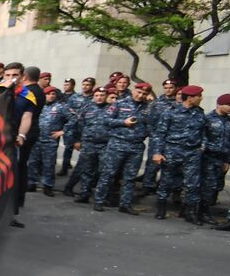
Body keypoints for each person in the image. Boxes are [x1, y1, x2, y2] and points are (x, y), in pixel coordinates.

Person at [152, 85, 208, 222]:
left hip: (192, 153)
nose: (201, 98)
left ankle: (190, 212)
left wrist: (203, 146)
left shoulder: (200, 113)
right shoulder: (170, 112)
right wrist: (157, 152)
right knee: (166, 181)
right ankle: (161, 208)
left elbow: (204, 132)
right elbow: (160, 134)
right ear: (189, 98)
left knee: (193, 184)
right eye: (198, 96)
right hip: (172, 150)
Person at [92, 80, 149, 214]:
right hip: (118, 144)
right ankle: (99, 200)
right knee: (108, 174)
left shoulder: (148, 108)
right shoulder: (120, 103)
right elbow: (106, 120)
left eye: (144, 94)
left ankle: (125, 204)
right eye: (139, 92)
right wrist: (123, 122)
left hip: (136, 147)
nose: (140, 96)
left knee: (130, 177)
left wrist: (143, 134)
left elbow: (151, 126)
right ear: (134, 90)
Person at [4, 63, 43, 226]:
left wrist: (21, 135)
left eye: (15, 75)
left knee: (13, 174)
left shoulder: (28, 96)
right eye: (7, 75)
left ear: (22, 76)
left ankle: (9, 214)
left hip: (12, 140)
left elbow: (27, 117)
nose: (11, 78)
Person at [63, 87, 112, 201]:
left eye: (102, 95)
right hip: (88, 143)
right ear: (93, 96)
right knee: (86, 170)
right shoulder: (87, 108)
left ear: (106, 96)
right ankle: (84, 194)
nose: (99, 97)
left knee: (104, 171)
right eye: (97, 95)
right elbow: (78, 125)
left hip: (105, 144)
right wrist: (77, 140)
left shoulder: (111, 109)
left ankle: (102, 197)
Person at [200, 93, 230, 221]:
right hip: (208, 157)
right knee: (206, 186)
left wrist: (227, 160)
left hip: (221, 159)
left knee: (215, 186)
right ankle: (202, 212)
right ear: (220, 105)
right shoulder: (208, 119)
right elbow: (202, 138)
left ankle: (201, 210)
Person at [141, 78, 178, 193]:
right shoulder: (156, 103)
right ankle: (148, 185)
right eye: (166, 88)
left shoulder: (178, 104)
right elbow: (148, 120)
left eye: (171, 88)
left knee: (169, 163)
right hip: (156, 138)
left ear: (175, 89)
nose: (168, 90)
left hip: (171, 139)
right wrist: (153, 135)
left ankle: (164, 187)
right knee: (152, 163)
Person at [29, 87, 68, 196]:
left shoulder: (60, 107)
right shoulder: (38, 105)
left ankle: (48, 186)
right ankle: (32, 183)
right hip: (36, 139)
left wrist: (63, 131)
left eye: (53, 94)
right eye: (48, 94)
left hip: (50, 141)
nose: (51, 96)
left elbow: (74, 119)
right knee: (33, 163)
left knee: (49, 165)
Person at [61, 77, 96, 173]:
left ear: (93, 86)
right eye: (84, 84)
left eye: (88, 85)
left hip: (87, 128)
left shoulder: (94, 98)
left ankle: (83, 170)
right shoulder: (75, 97)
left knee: (85, 150)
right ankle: (64, 167)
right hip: (73, 126)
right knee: (68, 147)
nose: (85, 87)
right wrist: (74, 115)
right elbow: (67, 109)